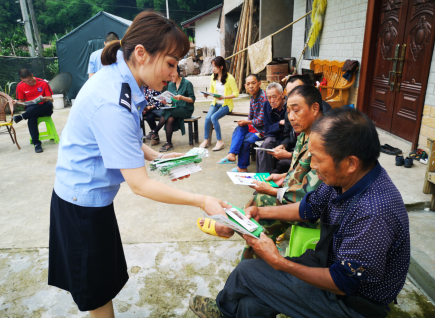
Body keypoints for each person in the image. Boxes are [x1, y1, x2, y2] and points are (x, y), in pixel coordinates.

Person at [49, 12, 228, 317]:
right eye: (171, 64)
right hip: (81, 206)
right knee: (97, 293)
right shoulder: (112, 99)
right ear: (142, 54)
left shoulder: (123, 79)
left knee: (103, 281)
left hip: (90, 199)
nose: (174, 75)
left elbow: (126, 137)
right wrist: (203, 201)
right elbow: (140, 185)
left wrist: (158, 156)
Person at [190, 107, 410, 318]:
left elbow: (344, 283)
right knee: (252, 303)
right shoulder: (343, 178)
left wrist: (280, 263)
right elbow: (308, 208)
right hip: (330, 262)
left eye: (318, 158)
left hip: (355, 303)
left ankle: (223, 312)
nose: (313, 166)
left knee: (247, 271)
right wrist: (261, 211)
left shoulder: (374, 212)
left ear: (351, 162)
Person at [198, 86, 324, 257]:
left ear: (315, 108)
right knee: (260, 201)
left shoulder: (323, 141)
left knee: (262, 201)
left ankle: (244, 244)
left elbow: (310, 194)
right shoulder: (304, 133)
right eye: (288, 111)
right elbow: (300, 171)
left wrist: (271, 190)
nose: (291, 117)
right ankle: (242, 237)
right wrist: (282, 177)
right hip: (295, 193)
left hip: (313, 210)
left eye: (296, 110)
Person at [270, 75, 332, 174]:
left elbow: (308, 184)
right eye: (289, 93)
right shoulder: (292, 115)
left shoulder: (324, 132)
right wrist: (283, 146)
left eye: (298, 90)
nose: (291, 117)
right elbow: (287, 136)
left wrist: (289, 155)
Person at [216, 74, 266, 172]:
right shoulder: (252, 99)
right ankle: (232, 154)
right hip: (255, 127)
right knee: (239, 128)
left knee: (245, 139)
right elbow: (250, 117)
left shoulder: (263, 98)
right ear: (245, 86)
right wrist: (245, 123)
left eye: (253, 83)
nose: (251, 86)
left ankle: (242, 167)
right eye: (248, 84)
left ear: (259, 84)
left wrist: (247, 122)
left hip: (264, 130)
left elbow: (261, 120)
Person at [146, 66, 195, 151]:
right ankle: (169, 143)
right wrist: (166, 101)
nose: (171, 79)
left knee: (167, 112)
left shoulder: (187, 83)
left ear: (177, 73)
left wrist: (182, 98)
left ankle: (155, 131)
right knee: (170, 118)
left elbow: (192, 100)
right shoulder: (171, 85)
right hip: (175, 109)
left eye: (173, 76)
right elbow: (171, 100)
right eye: (170, 77)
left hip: (186, 109)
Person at [199, 56, 239, 151]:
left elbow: (236, 94)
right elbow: (211, 90)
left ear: (221, 67)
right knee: (208, 118)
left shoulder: (230, 78)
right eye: (212, 66)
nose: (213, 68)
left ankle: (220, 141)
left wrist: (223, 97)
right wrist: (207, 94)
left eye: (215, 66)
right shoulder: (213, 76)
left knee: (214, 117)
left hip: (226, 105)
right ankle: (206, 140)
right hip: (216, 103)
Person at [12, 68, 54, 153]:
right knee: (32, 117)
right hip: (31, 109)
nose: (28, 83)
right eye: (25, 81)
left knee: (49, 104)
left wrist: (46, 99)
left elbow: (51, 99)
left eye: (29, 80)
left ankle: (22, 116)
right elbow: (22, 101)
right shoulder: (20, 86)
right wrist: (16, 102)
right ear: (21, 79)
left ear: (32, 75)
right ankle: (37, 144)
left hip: (45, 108)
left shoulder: (43, 83)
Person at [256, 82, 287, 174]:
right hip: (273, 136)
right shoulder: (266, 105)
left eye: (274, 97)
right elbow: (267, 129)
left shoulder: (289, 105)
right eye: (269, 97)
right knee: (264, 147)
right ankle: (264, 179)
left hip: (287, 138)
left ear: (282, 95)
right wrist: (280, 124)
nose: (272, 100)